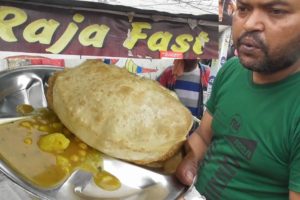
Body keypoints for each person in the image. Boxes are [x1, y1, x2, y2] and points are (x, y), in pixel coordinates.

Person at [176, 0, 300, 199]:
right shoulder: (231, 70)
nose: (250, 24)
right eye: (243, 9)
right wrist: (186, 166)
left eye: (276, 11)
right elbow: (202, 137)